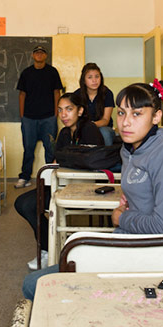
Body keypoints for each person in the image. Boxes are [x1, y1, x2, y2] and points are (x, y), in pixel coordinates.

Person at [22, 79, 163, 299]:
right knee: (69, 253)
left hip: (156, 253)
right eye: (121, 113)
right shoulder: (129, 148)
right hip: (130, 242)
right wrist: (130, 204)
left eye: (137, 114)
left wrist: (122, 218)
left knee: (34, 284)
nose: (125, 123)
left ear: (156, 117)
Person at [15, 92, 104, 270]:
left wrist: (66, 159)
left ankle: (53, 247)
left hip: (84, 189)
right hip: (62, 186)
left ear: (80, 111)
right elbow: (58, 163)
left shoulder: (89, 129)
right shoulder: (64, 133)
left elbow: (92, 162)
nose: (63, 114)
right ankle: (48, 248)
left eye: (69, 109)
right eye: (60, 110)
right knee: (22, 203)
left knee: (30, 204)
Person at [15, 45, 63, 189]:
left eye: (42, 53)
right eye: (37, 52)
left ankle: (51, 178)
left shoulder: (52, 72)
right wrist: (22, 116)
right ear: (32, 55)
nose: (39, 55)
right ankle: (25, 177)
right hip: (29, 118)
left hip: (49, 117)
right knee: (28, 149)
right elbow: (22, 95)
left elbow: (57, 93)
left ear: (45, 56)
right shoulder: (26, 73)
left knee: (50, 149)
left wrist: (56, 114)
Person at [73, 62, 116, 145]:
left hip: (102, 127)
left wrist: (89, 126)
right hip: (83, 127)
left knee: (105, 133)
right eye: (90, 77)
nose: (94, 80)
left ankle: (105, 156)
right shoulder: (77, 95)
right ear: (84, 80)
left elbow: (105, 120)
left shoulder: (107, 93)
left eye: (97, 76)